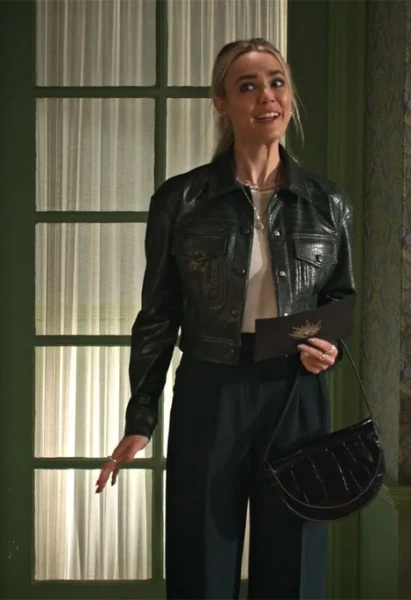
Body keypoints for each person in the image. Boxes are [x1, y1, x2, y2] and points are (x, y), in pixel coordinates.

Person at [96, 38, 356, 600]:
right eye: (248, 86)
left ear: (290, 96)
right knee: (201, 561)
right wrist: (141, 416)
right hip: (210, 388)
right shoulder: (182, 200)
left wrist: (328, 347)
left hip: (296, 392)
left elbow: (341, 301)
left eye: (276, 82)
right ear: (222, 103)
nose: (267, 96)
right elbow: (158, 314)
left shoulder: (328, 203)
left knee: (294, 564)